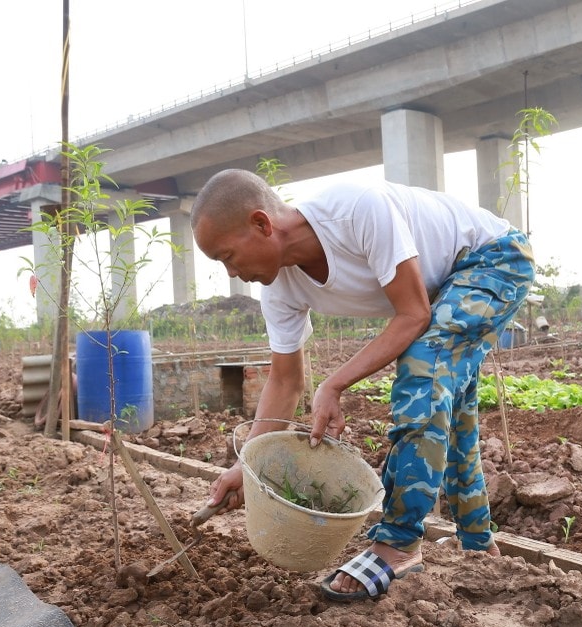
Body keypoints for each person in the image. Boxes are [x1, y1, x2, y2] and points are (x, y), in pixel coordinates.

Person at [190, 169, 535, 601]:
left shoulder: (357, 209)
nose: (232, 272)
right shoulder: (279, 289)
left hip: (494, 258)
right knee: (452, 412)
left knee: (423, 369)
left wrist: (333, 385)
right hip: (445, 288)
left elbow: (413, 314)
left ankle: (398, 544)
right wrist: (248, 464)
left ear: (262, 224)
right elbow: (285, 380)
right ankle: (479, 544)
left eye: (227, 256)